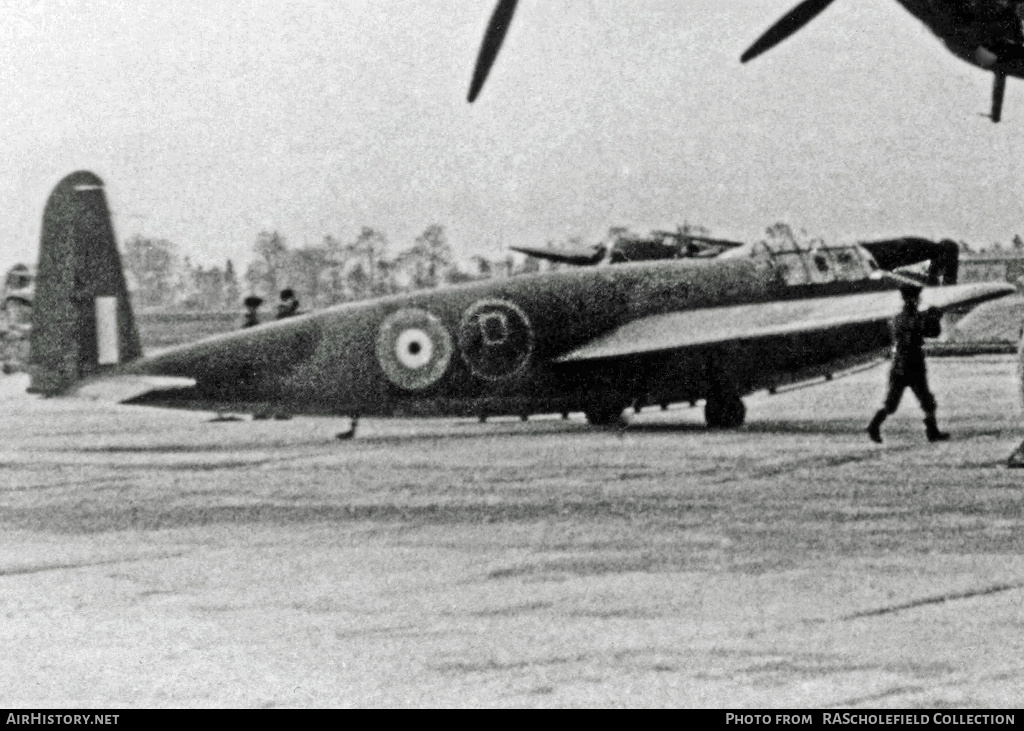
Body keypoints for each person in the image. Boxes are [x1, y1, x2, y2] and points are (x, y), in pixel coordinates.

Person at [868, 285, 949, 443]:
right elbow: (929, 332)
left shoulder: (899, 318)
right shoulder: (910, 318)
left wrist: (933, 319)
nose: (918, 301)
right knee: (910, 402)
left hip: (902, 364)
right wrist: (935, 318)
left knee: (915, 401)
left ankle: (875, 425)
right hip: (910, 365)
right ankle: (874, 426)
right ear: (910, 299)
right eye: (916, 298)